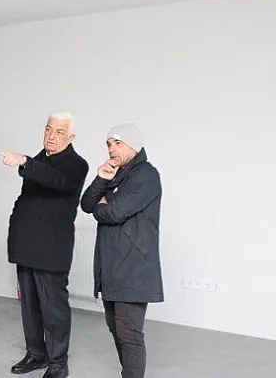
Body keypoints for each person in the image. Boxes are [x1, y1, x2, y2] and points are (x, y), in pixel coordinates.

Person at [0, 112, 88, 378]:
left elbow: (56, 180)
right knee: (29, 307)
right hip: (27, 246)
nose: (51, 136)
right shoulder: (39, 160)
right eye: (49, 129)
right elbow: (25, 201)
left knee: (53, 310)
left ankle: (58, 362)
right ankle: (36, 354)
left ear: (71, 137)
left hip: (52, 249)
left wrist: (25, 161)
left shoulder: (76, 165)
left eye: (59, 132)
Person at [80, 123, 163, 378]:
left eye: (118, 143)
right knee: (115, 328)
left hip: (133, 268)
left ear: (133, 145)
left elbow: (114, 213)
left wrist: (104, 205)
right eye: (108, 144)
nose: (111, 149)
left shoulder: (146, 175)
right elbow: (86, 204)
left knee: (129, 334)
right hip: (111, 267)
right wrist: (101, 179)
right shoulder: (116, 175)